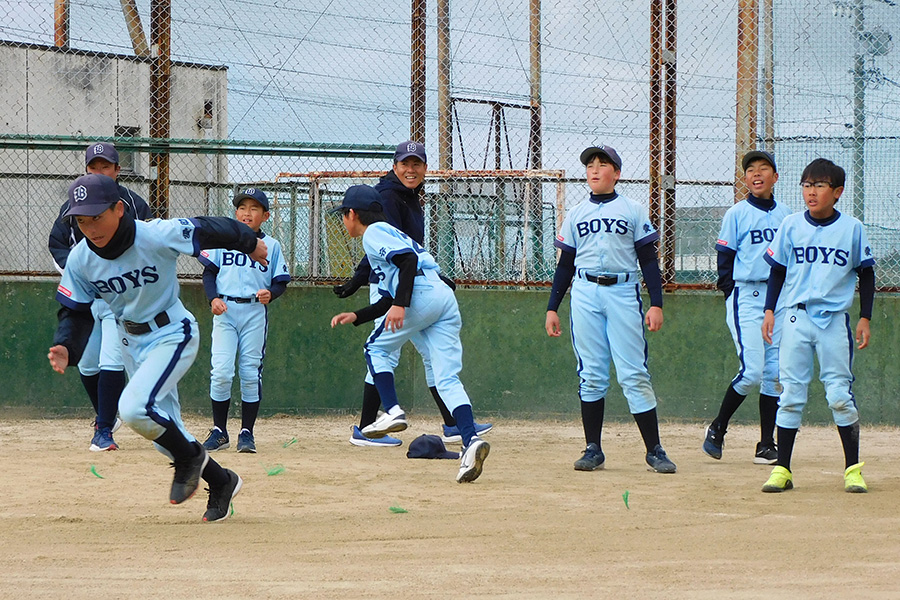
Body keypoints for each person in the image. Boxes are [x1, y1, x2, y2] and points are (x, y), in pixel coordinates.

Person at [48, 173, 266, 521]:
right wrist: (66, 346)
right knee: (162, 434)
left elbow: (207, 228)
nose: (91, 227)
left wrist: (249, 241)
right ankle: (223, 481)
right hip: (130, 341)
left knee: (134, 409)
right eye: (82, 220)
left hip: (171, 332)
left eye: (97, 216)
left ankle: (190, 459)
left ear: (119, 209)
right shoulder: (80, 259)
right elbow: (74, 311)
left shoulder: (153, 234)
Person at [333, 141, 491, 447]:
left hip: (413, 290)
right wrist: (359, 311)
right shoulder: (392, 203)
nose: (411, 169)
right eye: (405, 163)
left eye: (417, 164)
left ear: (352, 214)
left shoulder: (376, 228)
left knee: (377, 351)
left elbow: (405, 261)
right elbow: (406, 262)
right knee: (443, 371)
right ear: (395, 167)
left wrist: (401, 304)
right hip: (433, 292)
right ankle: (467, 436)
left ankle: (387, 414)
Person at [545, 145, 676, 474]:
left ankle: (654, 449)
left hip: (622, 291)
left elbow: (648, 260)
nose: (594, 169)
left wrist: (656, 303)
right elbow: (565, 266)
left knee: (633, 372)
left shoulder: (632, 210)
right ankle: (593, 449)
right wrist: (552, 308)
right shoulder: (575, 214)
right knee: (591, 373)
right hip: (585, 292)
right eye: (590, 164)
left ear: (616, 173)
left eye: (602, 164)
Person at [760, 158, 874, 494]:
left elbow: (866, 273)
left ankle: (852, 469)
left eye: (820, 185)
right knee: (791, 395)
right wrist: (769, 310)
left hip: (833, 321)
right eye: (807, 185)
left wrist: (865, 316)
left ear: (837, 192)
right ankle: (782, 470)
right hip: (795, 317)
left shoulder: (852, 228)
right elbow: (777, 270)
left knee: (839, 394)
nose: (811, 191)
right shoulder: (792, 225)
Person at [48, 142, 152, 452]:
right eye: (93, 167)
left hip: (119, 297)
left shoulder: (133, 205)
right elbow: (57, 246)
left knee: (111, 359)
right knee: (87, 364)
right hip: (86, 297)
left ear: (118, 171)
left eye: (105, 166)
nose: (99, 171)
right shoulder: (72, 207)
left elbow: (146, 247)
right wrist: (82, 273)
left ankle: (103, 430)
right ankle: (106, 415)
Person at [702, 150, 791, 464]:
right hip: (747, 296)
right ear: (744, 179)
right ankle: (718, 427)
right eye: (750, 169)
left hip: (778, 298)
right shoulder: (736, 213)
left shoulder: (788, 216)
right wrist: (730, 292)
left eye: (763, 168)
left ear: (774, 178)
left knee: (774, 373)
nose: (756, 173)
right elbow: (724, 257)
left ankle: (766, 444)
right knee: (752, 371)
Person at [199, 188, 290, 454]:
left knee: (250, 373)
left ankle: (246, 432)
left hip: (253, 312)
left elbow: (281, 281)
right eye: (242, 207)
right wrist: (212, 298)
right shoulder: (222, 240)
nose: (246, 213)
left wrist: (271, 293)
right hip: (225, 310)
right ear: (235, 213)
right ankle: (219, 431)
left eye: (253, 208)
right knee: (222, 372)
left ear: (265, 215)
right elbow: (209, 273)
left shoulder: (271, 245)